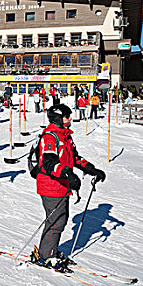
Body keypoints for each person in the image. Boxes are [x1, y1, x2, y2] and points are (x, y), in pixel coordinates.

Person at [30, 104, 106, 272]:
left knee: (60, 220)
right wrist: (67, 175)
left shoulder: (65, 136)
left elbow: (74, 158)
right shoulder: (50, 138)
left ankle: (50, 250)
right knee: (56, 221)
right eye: (67, 116)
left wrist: (91, 169)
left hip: (61, 186)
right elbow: (49, 164)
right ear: (58, 118)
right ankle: (45, 256)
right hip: (50, 186)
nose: (70, 119)